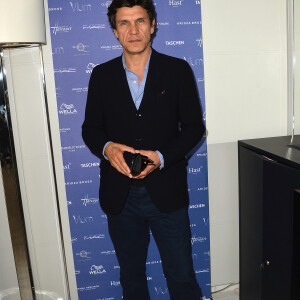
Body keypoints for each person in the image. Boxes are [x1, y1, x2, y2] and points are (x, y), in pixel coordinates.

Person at [82, 0, 205, 299]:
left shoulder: (177, 70)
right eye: (125, 23)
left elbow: (194, 128)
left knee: (182, 277)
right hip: (120, 197)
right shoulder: (101, 75)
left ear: (152, 26)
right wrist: (108, 148)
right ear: (114, 30)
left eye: (140, 21)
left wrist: (161, 157)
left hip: (168, 194)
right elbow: (91, 129)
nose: (133, 30)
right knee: (132, 278)